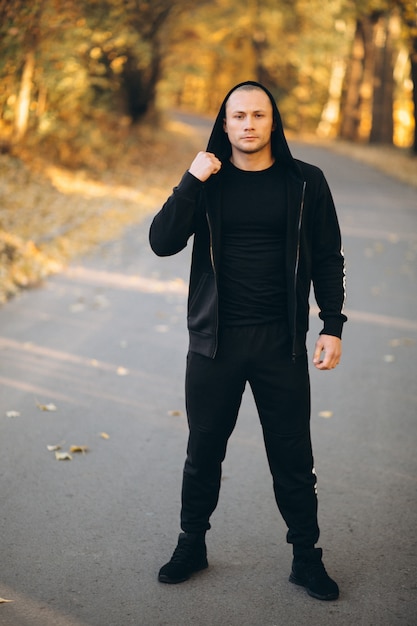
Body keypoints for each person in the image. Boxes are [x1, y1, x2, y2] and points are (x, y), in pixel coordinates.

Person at [149, 81, 346, 601]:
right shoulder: (207, 181)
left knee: (293, 457)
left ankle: (306, 558)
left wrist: (331, 324)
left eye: (259, 115)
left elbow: (328, 256)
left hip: (281, 344)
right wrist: (191, 179)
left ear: (273, 122)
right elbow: (162, 242)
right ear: (226, 123)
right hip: (215, 343)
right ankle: (192, 544)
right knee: (203, 451)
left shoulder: (306, 182)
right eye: (239, 116)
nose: (249, 124)